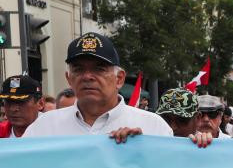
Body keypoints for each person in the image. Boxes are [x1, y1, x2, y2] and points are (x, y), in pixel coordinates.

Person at [24, 33, 172, 141]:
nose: (87, 76)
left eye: (99, 69)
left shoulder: (152, 127)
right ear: (69, 79)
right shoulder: (44, 128)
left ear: (119, 78)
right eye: (78, 69)